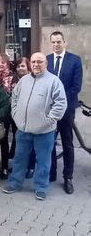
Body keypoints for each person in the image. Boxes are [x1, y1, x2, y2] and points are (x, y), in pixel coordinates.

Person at [3, 52, 67, 201]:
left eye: (40, 61)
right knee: (19, 158)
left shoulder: (54, 81)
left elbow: (60, 104)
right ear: (30, 64)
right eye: (34, 62)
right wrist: (16, 116)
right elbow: (14, 99)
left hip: (44, 131)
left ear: (46, 64)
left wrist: (48, 120)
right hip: (23, 130)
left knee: (43, 161)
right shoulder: (23, 80)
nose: (36, 64)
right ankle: (15, 183)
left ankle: (41, 187)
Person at [47, 31, 83, 194]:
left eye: (59, 42)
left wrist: (60, 102)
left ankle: (68, 177)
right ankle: (52, 173)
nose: (56, 44)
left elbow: (76, 87)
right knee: (50, 142)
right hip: (49, 110)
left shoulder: (75, 60)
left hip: (67, 109)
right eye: (53, 42)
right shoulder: (47, 60)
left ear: (64, 42)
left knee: (67, 144)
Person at [10, 57, 35, 178]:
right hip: (17, 116)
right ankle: (18, 166)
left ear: (28, 67)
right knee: (18, 141)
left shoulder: (33, 79)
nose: (20, 68)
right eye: (18, 66)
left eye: (23, 66)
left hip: (30, 116)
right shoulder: (12, 80)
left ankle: (30, 166)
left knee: (31, 142)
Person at [0, 53, 15, 179]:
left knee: (3, 141)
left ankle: (4, 167)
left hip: (7, 113)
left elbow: (13, 95)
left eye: (3, 63)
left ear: (7, 64)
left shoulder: (12, 77)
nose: (0, 65)